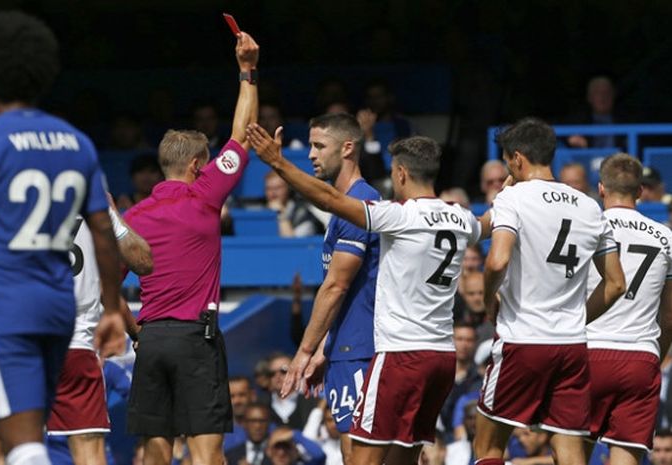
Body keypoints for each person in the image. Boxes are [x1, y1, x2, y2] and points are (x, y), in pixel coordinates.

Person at [247, 125, 491, 465]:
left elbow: (330, 200)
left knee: (361, 457)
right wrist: (514, 190)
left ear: (402, 173)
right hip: (442, 358)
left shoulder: (398, 216)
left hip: (400, 354)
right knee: (404, 457)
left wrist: (278, 163)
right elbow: (490, 223)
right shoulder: (461, 217)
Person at [0, 11, 126, 465]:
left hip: (7, 303)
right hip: (62, 309)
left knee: (17, 445)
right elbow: (103, 231)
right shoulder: (77, 142)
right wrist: (114, 307)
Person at [123, 29, 260, 465]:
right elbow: (243, 133)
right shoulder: (206, 193)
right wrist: (247, 72)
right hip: (194, 340)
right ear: (199, 166)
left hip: (151, 339)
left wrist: (136, 334)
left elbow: (109, 289)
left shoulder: (134, 218)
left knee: (154, 452)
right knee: (206, 453)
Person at [473, 117, 626, 465]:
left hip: (523, 339)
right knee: (569, 450)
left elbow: (497, 261)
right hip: (571, 345)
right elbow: (616, 283)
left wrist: (487, 301)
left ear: (516, 159)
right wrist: (577, 318)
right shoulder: (590, 205)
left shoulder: (513, 197)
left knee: (488, 446)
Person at [0, 203, 153, 465]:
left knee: (1, 454)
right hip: (75, 345)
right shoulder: (92, 197)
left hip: (19, 343)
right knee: (90, 455)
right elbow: (142, 261)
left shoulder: (11, 193)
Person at [279, 112, 381, 465]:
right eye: (310, 145)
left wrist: (304, 352)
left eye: (319, 146)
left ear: (348, 148)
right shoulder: (342, 208)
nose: (310, 154)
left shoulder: (361, 204)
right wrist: (325, 346)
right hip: (343, 346)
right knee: (351, 450)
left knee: (361, 452)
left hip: (360, 347)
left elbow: (337, 286)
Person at [585, 153, 672, 464]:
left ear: (601, 189)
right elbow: (670, 314)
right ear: (640, 192)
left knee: (572, 454)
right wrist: (654, 356)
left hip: (589, 351)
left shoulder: (585, 228)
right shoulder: (666, 237)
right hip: (640, 357)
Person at [263, 171, 325, 237]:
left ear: (288, 189)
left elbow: (291, 243)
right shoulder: (259, 211)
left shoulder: (304, 214)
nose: (273, 193)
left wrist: (280, 214)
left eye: (278, 188)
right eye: (269, 188)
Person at [265, 353, 317, 430]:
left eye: (283, 371)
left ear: (296, 372)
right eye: (272, 373)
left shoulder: (313, 403)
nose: (277, 376)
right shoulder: (262, 404)